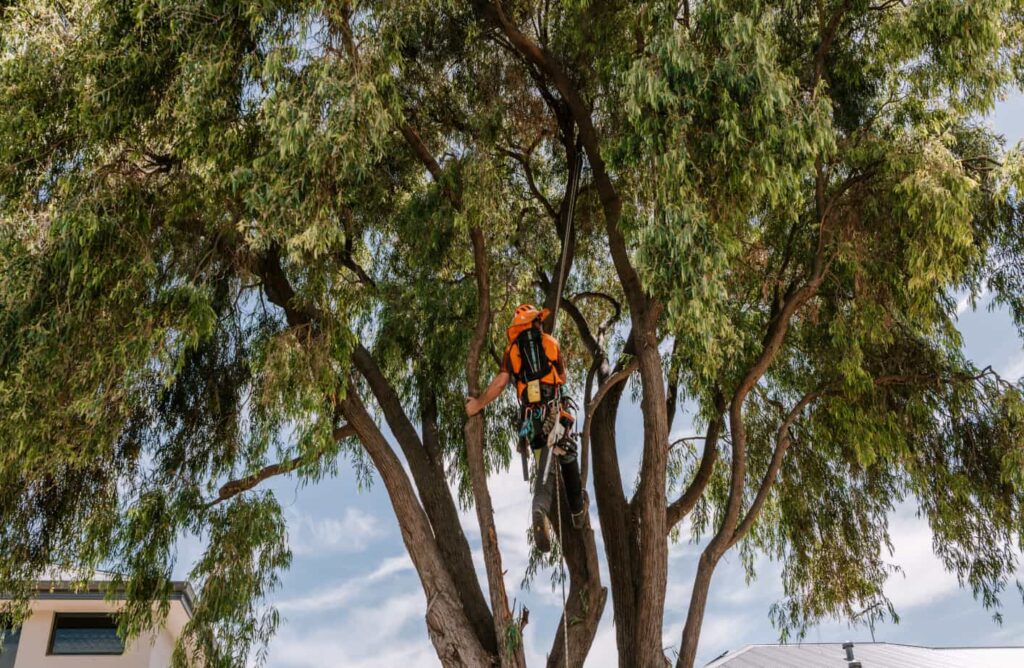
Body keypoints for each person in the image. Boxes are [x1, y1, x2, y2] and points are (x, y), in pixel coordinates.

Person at [465, 303, 588, 552]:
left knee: (545, 464)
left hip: (532, 421)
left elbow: (501, 383)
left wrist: (477, 404)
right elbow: (562, 377)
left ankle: (540, 507)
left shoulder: (512, 352)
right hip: (554, 412)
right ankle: (576, 511)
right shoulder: (550, 343)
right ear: (536, 322)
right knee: (567, 454)